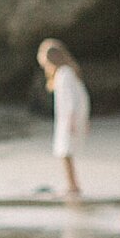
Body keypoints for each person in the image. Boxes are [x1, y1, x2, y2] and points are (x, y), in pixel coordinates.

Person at [38, 37, 90, 197]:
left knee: (65, 151)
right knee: (65, 152)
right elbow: (82, 96)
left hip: (69, 118)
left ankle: (72, 185)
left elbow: (72, 100)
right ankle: (72, 184)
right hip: (70, 117)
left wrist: (73, 120)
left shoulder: (64, 74)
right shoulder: (67, 72)